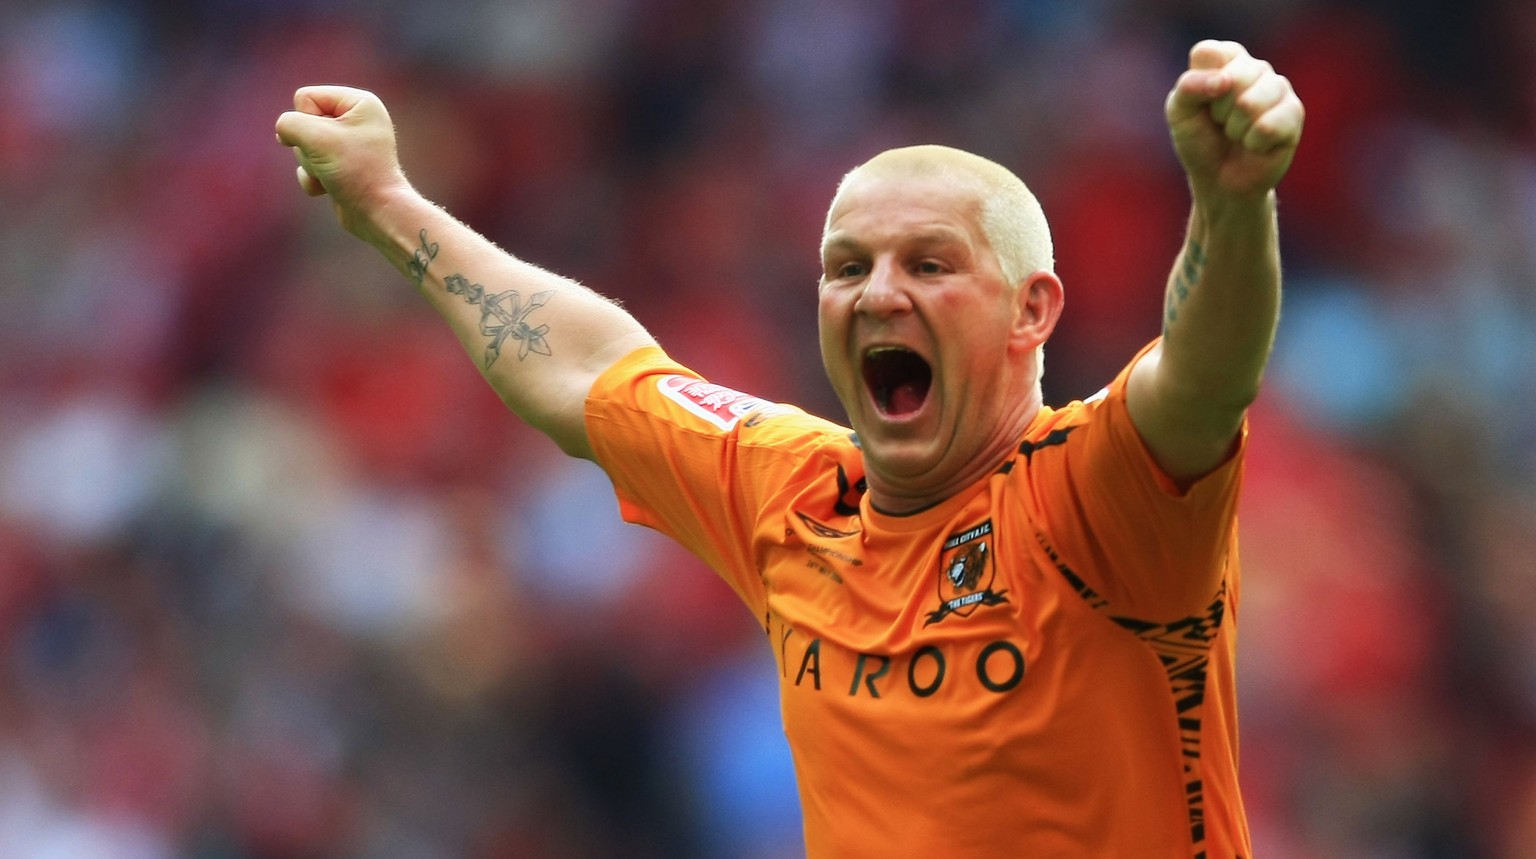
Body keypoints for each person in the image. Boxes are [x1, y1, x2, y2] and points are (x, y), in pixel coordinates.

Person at [276, 38, 1302, 859]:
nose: (878, 293)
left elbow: (1208, 369)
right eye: (846, 266)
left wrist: (1232, 200)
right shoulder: (792, 491)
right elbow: (582, 367)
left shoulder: (1098, 496)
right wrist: (387, 203)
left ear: (1032, 311)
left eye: (930, 263)